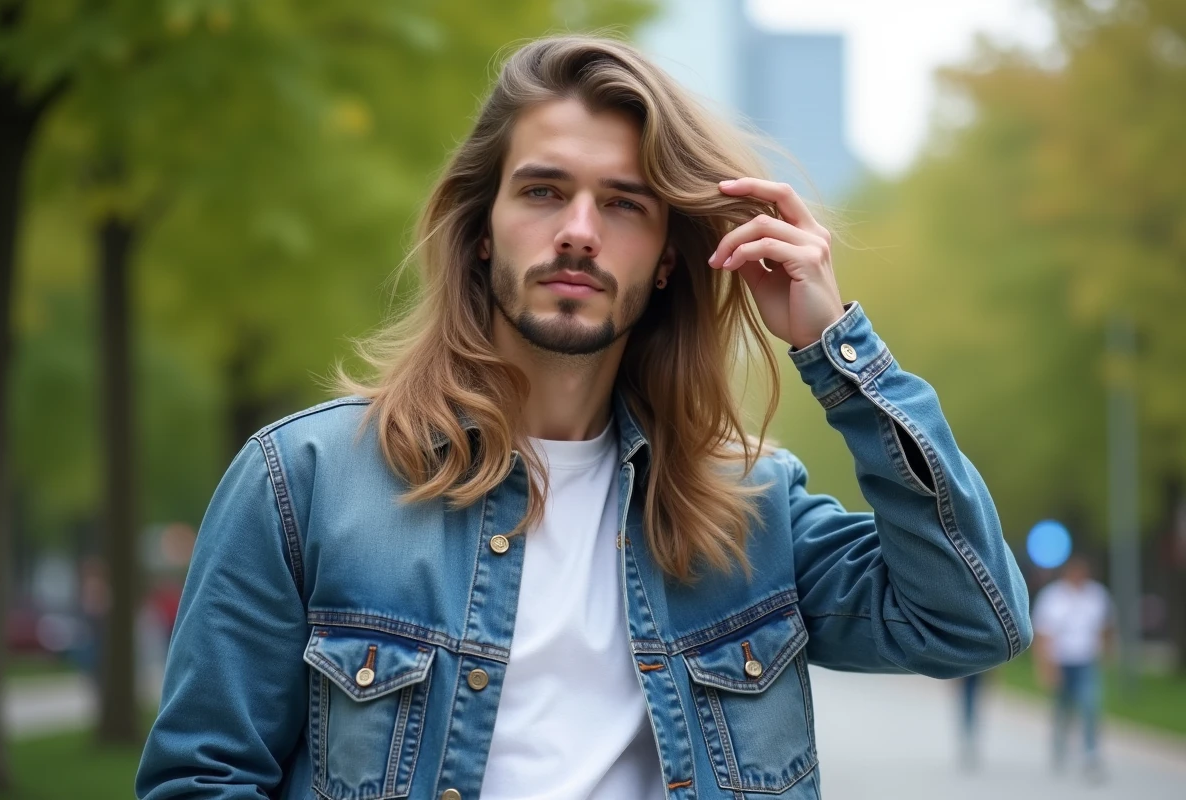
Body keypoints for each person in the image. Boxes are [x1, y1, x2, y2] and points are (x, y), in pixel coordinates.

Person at [135, 35, 1032, 800]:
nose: (578, 230)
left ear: (673, 256)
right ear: (481, 229)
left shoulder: (750, 509)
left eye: (623, 203)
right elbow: (202, 778)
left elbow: (969, 619)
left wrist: (836, 352)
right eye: (541, 191)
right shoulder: (305, 485)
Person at [1032, 555, 1114, 779]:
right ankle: (1059, 746)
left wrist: (1107, 653)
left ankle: (1090, 752)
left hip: (1086, 660)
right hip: (1061, 661)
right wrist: (1045, 666)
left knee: (1090, 705)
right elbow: (1043, 634)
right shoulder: (1052, 597)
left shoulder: (1097, 595)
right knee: (1062, 708)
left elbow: (1106, 627)